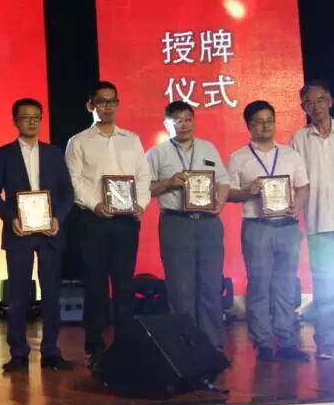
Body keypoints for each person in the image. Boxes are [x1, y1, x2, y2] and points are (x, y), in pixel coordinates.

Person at [65, 81, 151, 367]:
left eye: (112, 101)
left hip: (126, 221)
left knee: (125, 284)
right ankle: (95, 345)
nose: (107, 107)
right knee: (95, 285)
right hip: (93, 221)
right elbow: (73, 179)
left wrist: (141, 203)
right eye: (101, 102)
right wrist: (94, 204)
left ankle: (126, 342)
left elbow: (143, 176)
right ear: (90, 105)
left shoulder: (131, 140)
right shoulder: (78, 141)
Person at [0, 98, 75, 372]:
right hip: (19, 232)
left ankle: (51, 351)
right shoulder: (3, 154)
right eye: (26, 117)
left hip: (50, 232)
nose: (32, 121)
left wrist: (58, 218)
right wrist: (10, 218)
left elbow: (67, 193)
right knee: (17, 295)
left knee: (51, 294)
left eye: (36, 117)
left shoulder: (53, 153)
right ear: (15, 121)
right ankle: (18, 352)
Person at [229, 100, 310, 361]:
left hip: (287, 226)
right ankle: (263, 342)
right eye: (259, 122)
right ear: (249, 125)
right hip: (257, 227)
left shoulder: (290, 155)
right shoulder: (238, 157)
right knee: (260, 285)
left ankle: (287, 341)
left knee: (286, 285)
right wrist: (247, 191)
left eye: (269, 120)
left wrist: (297, 206)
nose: (265, 126)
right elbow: (228, 193)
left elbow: (304, 187)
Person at [146, 101, 230, 351]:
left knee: (211, 286)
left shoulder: (208, 147)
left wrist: (219, 204)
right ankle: (186, 346)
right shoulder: (156, 153)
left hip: (208, 222)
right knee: (181, 289)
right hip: (176, 222)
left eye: (188, 119)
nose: (184, 125)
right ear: (167, 125)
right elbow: (144, 188)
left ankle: (213, 346)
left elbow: (223, 181)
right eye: (177, 121)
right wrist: (169, 182)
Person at [290, 80, 334, 360]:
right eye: (309, 102)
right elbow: (294, 180)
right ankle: (327, 342)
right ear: (303, 107)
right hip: (319, 223)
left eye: (320, 100)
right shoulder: (299, 139)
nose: (316, 106)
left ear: (330, 101)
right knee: (325, 288)